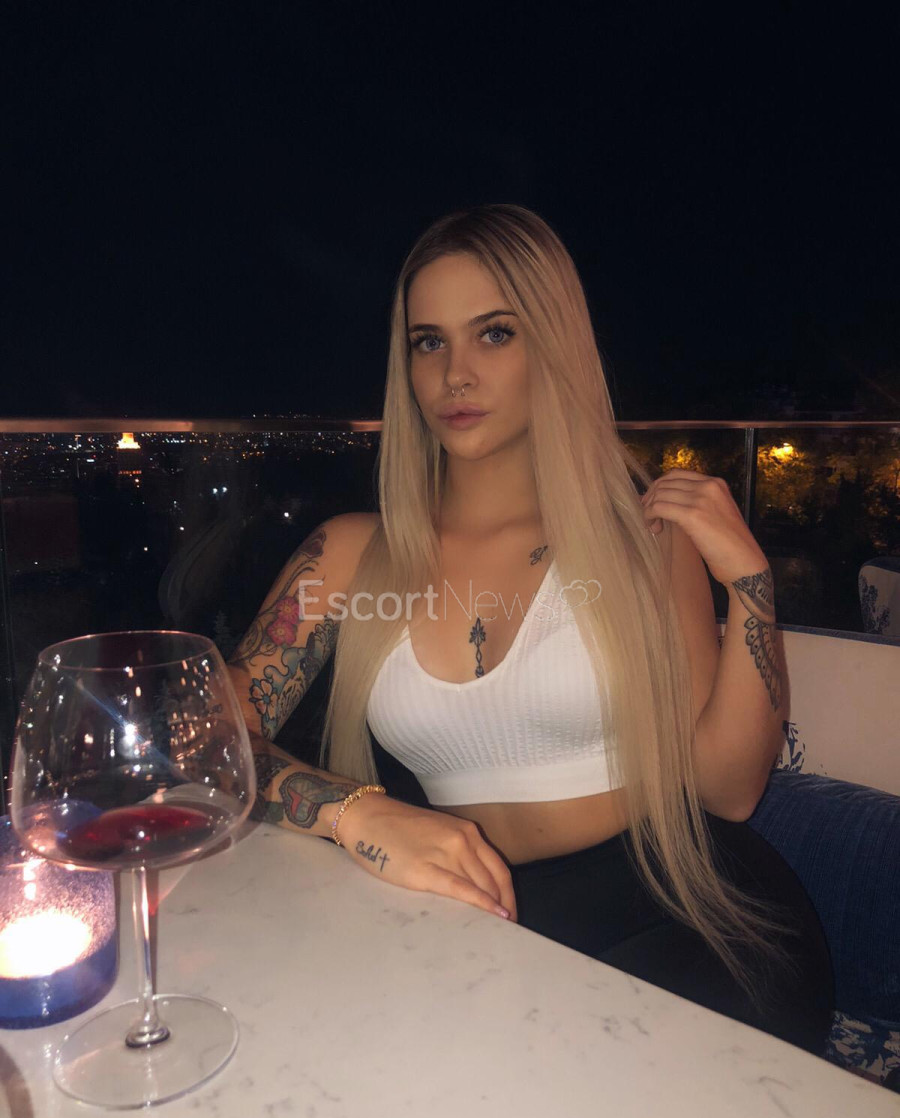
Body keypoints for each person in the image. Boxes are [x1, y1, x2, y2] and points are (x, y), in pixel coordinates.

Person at [226, 204, 834, 1056]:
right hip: (474, 911)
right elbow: (205, 741)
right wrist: (356, 814)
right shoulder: (349, 555)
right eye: (429, 342)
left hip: (683, 915)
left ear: (553, 347)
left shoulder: (642, 540)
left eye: (495, 334)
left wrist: (751, 585)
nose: (455, 374)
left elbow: (726, 791)